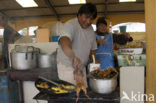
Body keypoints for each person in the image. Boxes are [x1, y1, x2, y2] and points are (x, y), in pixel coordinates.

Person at [57, 3, 97, 86]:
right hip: (67, 68)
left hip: (82, 69)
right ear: (79, 15)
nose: (88, 21)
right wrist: (72, 56)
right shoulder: (70, 25)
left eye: (91, 19)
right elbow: (64, 40)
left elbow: (92, 49)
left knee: (83, 94)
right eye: (86, 17)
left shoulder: (91, 30)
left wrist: (94, 61)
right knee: (70, 96)